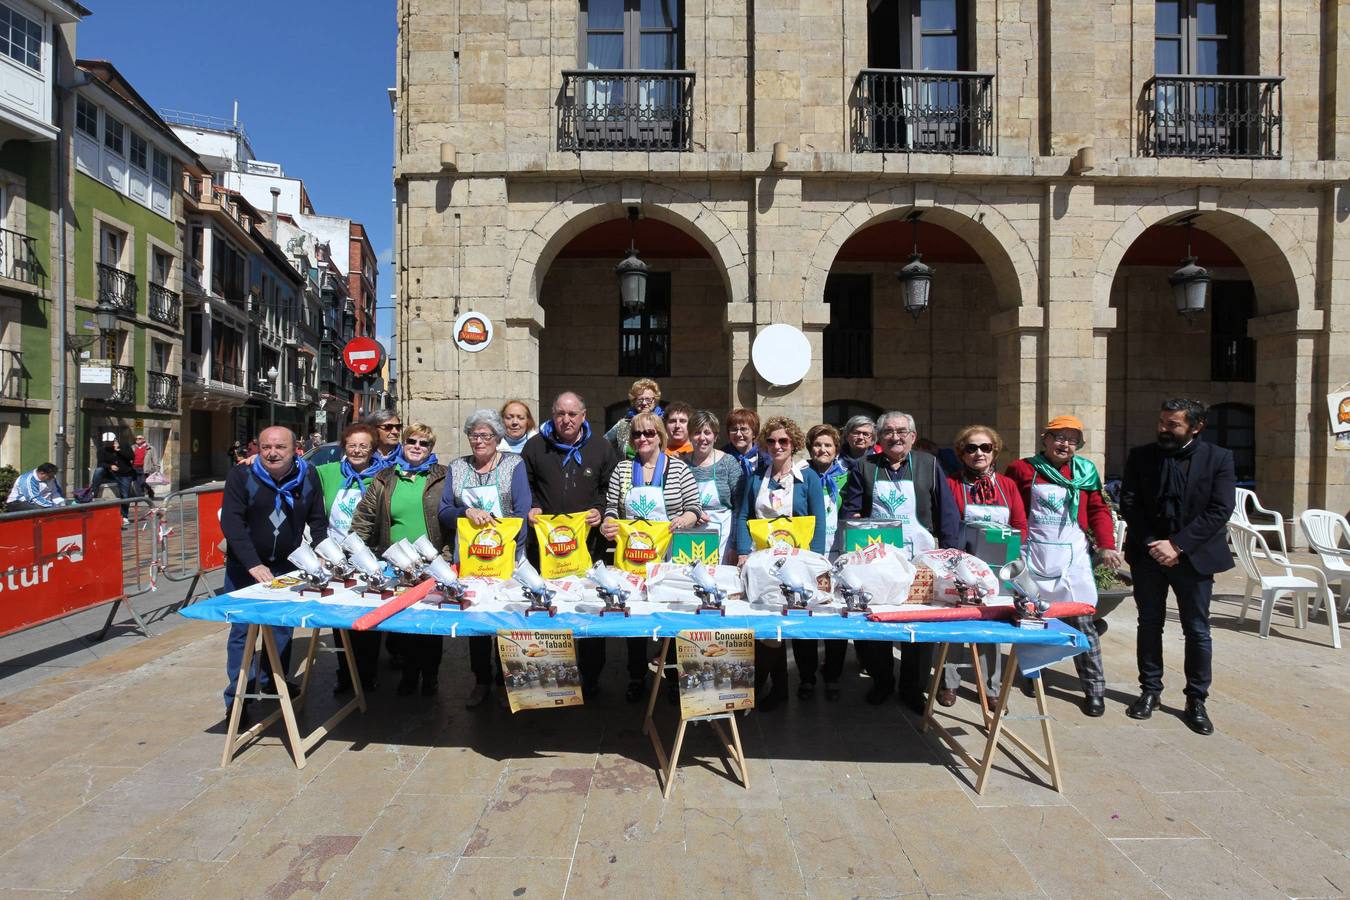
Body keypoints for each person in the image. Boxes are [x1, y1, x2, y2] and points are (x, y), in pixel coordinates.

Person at [1120, 399, 1235, 736]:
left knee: (1197, 629)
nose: (1163, 429)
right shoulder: (1141, 456)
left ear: (1195, 427)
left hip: (1194, 557)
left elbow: (1219, 509)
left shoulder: (1219, 458)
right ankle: (1150, 690)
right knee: (1149, 623)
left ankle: (1196, 699)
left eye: (1173, 424)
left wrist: (1178, 545)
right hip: (1149, 554)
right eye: (1161, 422)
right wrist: (1156, 544)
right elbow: (1130, 502)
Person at [1005, 415, 1123, 717]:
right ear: (1045, 439)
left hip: (1072, 559)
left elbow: (1098, 509)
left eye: (1072, 439)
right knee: (1033, 620)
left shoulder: (1085, 471)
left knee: (1083, 623)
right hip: (1033, 554)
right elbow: (1010, 508)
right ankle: (1034, 675)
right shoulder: (1023, 469)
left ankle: (1094, 689)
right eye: (1059, 437)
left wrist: (1107, 544)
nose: (1064, 444)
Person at [842, 411, 960, 710]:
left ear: (913, 436)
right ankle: (882, 681)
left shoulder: (929, 465)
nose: (896, 437)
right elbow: (852, 509)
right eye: (889, 432)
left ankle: (913, 688)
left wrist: (951, 554)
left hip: (921, 558)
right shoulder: (864, 467)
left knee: (919, 626)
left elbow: (946, 512)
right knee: (877, 623)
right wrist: (854, 524)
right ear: (879, 438)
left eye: (902, 432)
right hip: (878, 561)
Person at [219, 426, 327, 722]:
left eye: (280, 447)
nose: (272, 453)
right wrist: (253, 563)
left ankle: (270, 683)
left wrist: (323, 554)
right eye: (266, 447)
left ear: (295, 449)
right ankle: (237, 698)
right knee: (242, 631)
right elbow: (232, 522)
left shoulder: (308, 476)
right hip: (245, 567)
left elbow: (318, 521)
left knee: (281, 628)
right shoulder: (242, 475)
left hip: (286, 565)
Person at [601, 411, 702, 701]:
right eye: (637, 434)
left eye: (649, 433)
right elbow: (611, 507)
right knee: (634, 618)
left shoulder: (679, 468)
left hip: (668, 556)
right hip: (631, 557)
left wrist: (686, 518)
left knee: (670, 617)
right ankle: (636, 676)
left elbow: (694, 507)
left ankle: (672, 675)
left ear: (660, 436)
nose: (642, 439)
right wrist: (609, 522)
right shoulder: (622, 469)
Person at [522, 392, 617, 694]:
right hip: (546, 548)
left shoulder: (601, 447)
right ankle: (549, 671)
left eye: (572, 414)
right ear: (552, 414)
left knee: (589, 608)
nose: (566, 420)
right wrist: (533, 505)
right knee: (549, 609)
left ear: (583, 416)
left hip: (589, 547)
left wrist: (600, 511)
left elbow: (609, 486)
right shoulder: (535, 446)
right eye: (560, 413)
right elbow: (527, 484)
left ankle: (590, 676)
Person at [439, 409, 533, 708]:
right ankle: (480, 679)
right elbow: (443, 511)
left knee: (507, 618)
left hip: (507, 557)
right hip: (471, 559)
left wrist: (505, 546)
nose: (479, 441)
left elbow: (521, 513)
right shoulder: (457, 468)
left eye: (486, 435)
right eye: (474, 435)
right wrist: (464, 511)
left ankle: (509, 679)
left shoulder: (513, 465)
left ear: (497, 438)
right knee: (477, 622)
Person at [350, 422, 449, 696]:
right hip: (396, 565)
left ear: (431, 448)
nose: (417, 447)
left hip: (432, 564)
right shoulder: (384, 478)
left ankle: (430, 677)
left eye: (424, 443)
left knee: (430, 626)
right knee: (404, 625)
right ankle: (408, 675)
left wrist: (445, 560)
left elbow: (452, 522)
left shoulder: (443, 476)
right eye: (412, 441)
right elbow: (364, 519)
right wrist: (354, 553)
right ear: (403, 445)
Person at [736, 415, 827, 710]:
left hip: (798, 562)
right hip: (763, 562)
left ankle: (806, 677)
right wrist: (741, 552)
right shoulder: (755, 478)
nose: (777, 446)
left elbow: (819, 521)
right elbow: (743, 516)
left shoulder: (808, 478)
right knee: (768, 624)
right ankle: (776, 688)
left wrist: (814, 560)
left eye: (783, 441)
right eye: (772, 441)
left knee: (799, 621)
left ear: (794, 444)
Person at [941, 424, 1028, 708]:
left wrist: (1015, 557)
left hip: (998, 566)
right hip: (961, 563)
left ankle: (991, 687)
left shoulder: (1007, 485)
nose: (979, 453)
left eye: (985, 447)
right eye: (971, 448)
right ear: (961, 453)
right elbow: (948, 523)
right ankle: (949, 682)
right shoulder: (952, 483)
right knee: (956, 623)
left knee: (991, 624)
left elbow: (1019, 524)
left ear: (994, 452)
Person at [315, 423, 387, 694]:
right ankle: (344, 673)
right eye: (352, 445)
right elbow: (293, 469)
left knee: (369, 618)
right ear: (344, 446)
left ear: (373, 450)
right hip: (336, 557)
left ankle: (367, 675)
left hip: (370, 556)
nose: (357, 450)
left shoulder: (383, 475)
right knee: (340, 620)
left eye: (364, 446)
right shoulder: (327, 472)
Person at [791, 424, 850, 701]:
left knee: (836, 617)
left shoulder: (847, 477)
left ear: (836, 449)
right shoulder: (800, 476)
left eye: (828, 445)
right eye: (817, 445)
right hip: (808, 554)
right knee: (806, 615)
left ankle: (833, 674)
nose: (822, 450)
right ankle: (806, 676)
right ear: (810, 448)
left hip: (839, 555)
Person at [686, 409, 745, 564]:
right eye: (697, 432)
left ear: (716, 436)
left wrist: (735, 545)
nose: (702, 438)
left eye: (708, 432)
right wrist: (691, 515)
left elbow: (740, 507)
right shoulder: (682, 464)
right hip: (687, 537)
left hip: (723, 537)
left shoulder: (728, 463)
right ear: (690, 436)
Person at [604, 379, 661, 458]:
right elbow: (603, 444)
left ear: (655, 401)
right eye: (640, 399)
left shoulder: (664, 422)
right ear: (634, 401)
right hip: (627, 469)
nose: (644, 403)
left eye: (648, 399)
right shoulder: (623, 425)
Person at [722, 408, 765, 479]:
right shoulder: (721, 458)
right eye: (734, 429)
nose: (738, 434)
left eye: (744, 429)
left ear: (754, 433)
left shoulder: (765, 457)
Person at [130, 435, 158, 500]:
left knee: (143, 482)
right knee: (136, 483)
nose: (137, 439)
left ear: (144, 440)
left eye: (139, 438)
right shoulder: (133, 447)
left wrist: (157, 469)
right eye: (136, 438)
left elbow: (155, 459)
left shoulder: (150, 448)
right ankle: (140, 497)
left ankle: (150, 491)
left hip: (145, 468)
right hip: (134, 467)